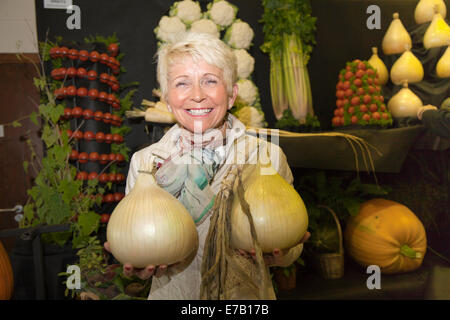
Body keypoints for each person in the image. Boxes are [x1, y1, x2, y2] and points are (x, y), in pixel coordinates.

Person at [104, 32, 310, 300]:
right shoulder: (146, 163)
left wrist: (278, 256)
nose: (197, 95)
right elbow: (137, 239)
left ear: (232, 94)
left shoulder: (266, 156)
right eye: (182, 84)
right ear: (167, 98)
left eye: (210, 81)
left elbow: (288, 242)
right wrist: (139, 264)